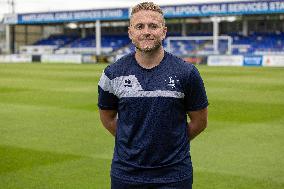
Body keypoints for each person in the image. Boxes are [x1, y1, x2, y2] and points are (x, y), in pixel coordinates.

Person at [98, 2, 208, 189]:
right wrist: (133, 142)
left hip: (174, 175)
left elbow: (199, 123)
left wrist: (171, 143)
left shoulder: (187, 73)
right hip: (126, 174)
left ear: (163, 32)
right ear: (130, 32)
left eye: (153, 26)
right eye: (139, 26)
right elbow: (107, 119)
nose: (146, 31)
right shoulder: (112, 73)